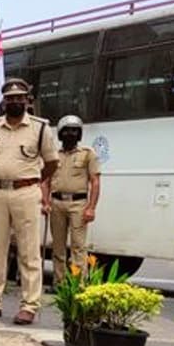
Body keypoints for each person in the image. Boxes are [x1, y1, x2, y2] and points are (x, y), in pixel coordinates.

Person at [0, 78, 59, 325]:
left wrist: (32, 181)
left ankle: (29, 305)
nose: (15, 101)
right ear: (4, 101)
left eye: (19, 97)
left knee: (29, 251)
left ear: (27, 101)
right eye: (10, 98)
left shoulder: (40, 128)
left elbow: (52, 163)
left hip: (26, 193)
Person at [48, 115, 101, 284]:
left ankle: (78, 284)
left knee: (78, 246)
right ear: (60, 134)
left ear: (79, 135)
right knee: (58, 247)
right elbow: (45, 181)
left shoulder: (87, 154)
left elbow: (95, 181)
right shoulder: (54, 155)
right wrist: (44, 201)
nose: (70, 134)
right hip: (56, 203)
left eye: (74, 131)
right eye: (66, 131)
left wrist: (91, 207)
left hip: (78, 204)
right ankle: (59, 283)